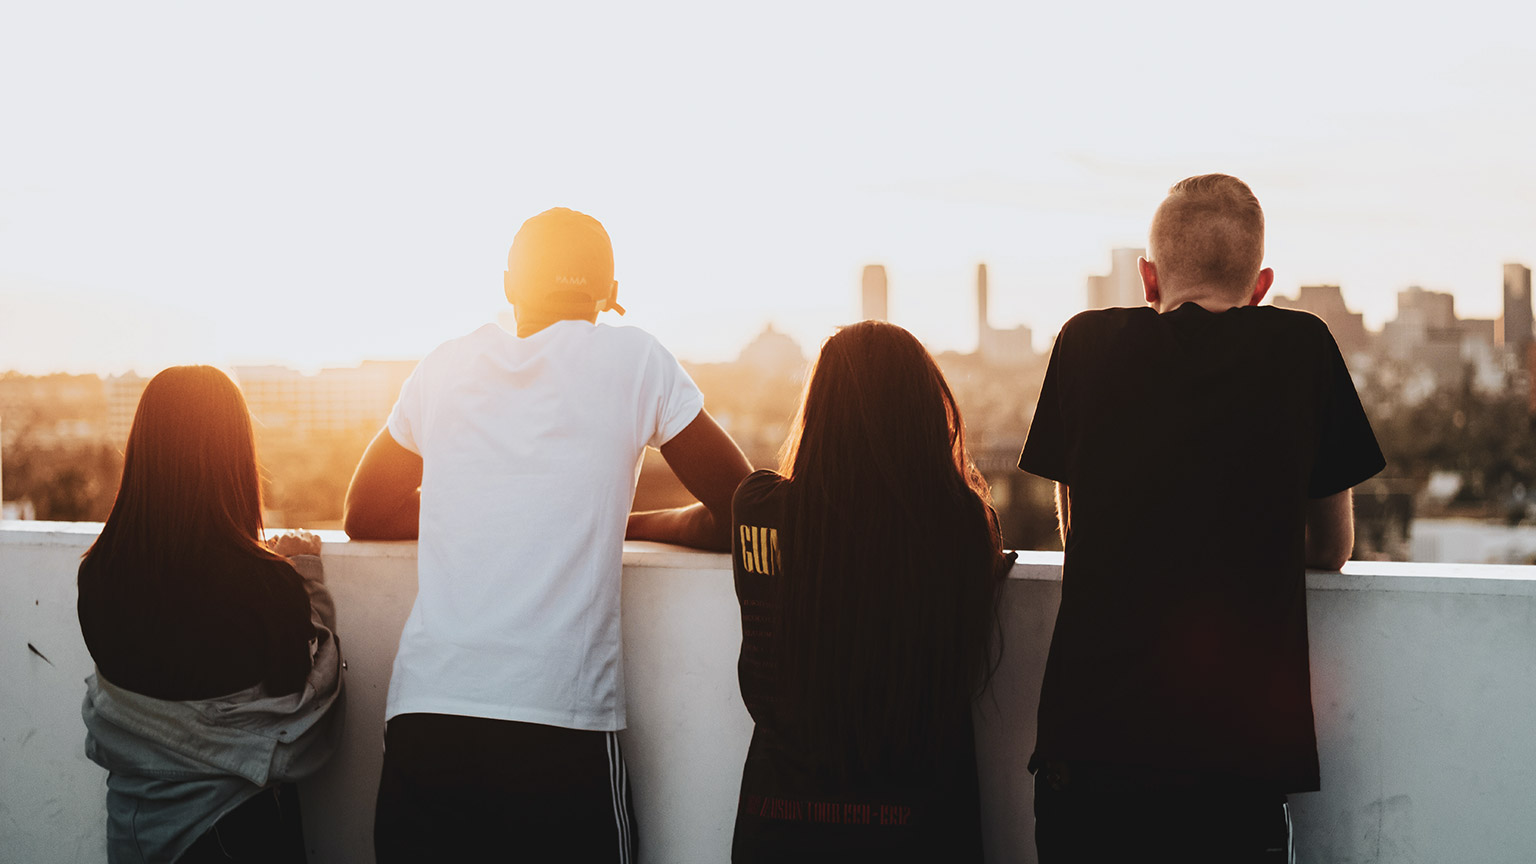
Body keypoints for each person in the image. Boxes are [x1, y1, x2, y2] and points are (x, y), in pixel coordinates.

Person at [344, 206, 752, 862]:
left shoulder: (446, 364)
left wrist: (482, 509)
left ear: (510, 284)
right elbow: (744, 507)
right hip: (559, 726)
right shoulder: (635, 359)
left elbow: (364, 511)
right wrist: (619, 524)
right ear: (610, 296)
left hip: (428, 717)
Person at [1019, 174, 1386, 862]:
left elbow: (1079, 532)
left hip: (1090, 752)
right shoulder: (1303, 347)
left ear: (1148, 277)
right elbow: (1330, 548)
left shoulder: (1082, 345)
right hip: (1234, 765)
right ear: (1262, 283)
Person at [729, 320, 1013, 863]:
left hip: (779, 828)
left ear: (819, 408)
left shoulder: (758, 508)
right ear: (925, 412)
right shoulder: (959, 527)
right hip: (919, 832)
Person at [78, 364, 344, 864]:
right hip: (232, 830)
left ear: (144, 451)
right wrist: (306, 576)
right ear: (234, 454)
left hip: (131, 828)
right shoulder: (264, 585)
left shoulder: (97, 575)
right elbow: (300, 700)